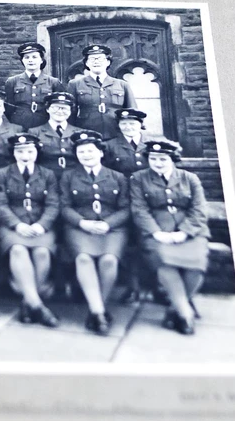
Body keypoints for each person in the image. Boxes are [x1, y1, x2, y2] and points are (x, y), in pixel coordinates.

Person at [130, 141, 211, 335]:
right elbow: (139, 209)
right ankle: (185, 314)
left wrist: (184, 232)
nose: (158, 163)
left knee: (197, 264)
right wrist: (157, 233)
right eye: (153, 158)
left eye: (162, 159)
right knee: (164, 263)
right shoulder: (138, 178)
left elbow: (199, 209)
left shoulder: (190, 178)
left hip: (191, 231)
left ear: (172, 159)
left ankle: (173, 309)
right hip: (156, 232)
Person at [61, 130, 131, 334]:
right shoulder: (68, 176)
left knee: (109, 259)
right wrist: (81, 222)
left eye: (90, 151)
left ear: (100, 152)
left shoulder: (117, 177)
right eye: (81, 152)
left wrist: (109, 224)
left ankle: (97, 306)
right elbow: (64, 206)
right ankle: (99, 311)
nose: (86, 155)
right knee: (83, 258)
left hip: (112, 229)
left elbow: (126, 208)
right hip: (79, 228)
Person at [0, 133, 61, 328]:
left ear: (36, 152)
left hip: (41, 225)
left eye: (30, 151)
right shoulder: (2, 174)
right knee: (18, 250)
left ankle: (28, 303)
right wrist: (17, 225)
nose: (25, 155)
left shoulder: (47, 174)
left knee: (42, 252)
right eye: (20, 151)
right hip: (12, 226)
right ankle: (38, 306)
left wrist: (41, 225)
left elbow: (53, 204)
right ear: (13, 153)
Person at [68, 44, 136, 141]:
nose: (96, 62)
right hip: (86, 135)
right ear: (86, 63)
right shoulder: (75, 84)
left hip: (116, 135)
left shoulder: (122, 85)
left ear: (108, 62)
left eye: (100, 59)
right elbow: (70, 113)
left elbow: (132, 112)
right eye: (92, 59)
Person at [2, 42, 67, 130]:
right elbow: (8, 108)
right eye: (27, 57)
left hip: (45, 126)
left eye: (34, 57)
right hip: (19, 125)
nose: (30, 60)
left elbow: (60, 106)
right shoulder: (12, 81)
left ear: (41, 60)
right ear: (22, 61)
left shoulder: (53, 82)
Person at [29, 92, 84, 172]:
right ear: (47, 109)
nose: (60, 111)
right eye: (55, 107)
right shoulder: (34, 132)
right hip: (45, 177)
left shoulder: (79, 133)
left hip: (73, 177)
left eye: (64, 108)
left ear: (70, 111)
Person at [103, 108, 150, 175]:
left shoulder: (150, 144)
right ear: (118, 125)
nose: (128, 127)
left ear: (141, 125)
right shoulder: (109, 146)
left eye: (132, 124)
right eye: (123, 124)